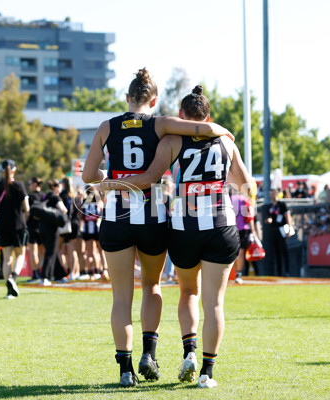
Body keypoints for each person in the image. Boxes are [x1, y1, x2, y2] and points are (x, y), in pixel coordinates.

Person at [82, 69, 233, 388]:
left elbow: (88, 175)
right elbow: (201, 129)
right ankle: (149, 353)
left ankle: (125, 370)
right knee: (151, 285)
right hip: (151, 216)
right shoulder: (160, 123)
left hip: (116, 216)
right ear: (154, 100)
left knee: (120, 297)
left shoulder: (106, 126)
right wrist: (222, 130)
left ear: (126, 99)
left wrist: (112, 178)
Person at [0, 159, 30, 299]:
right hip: (18, 224)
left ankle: (9, 290)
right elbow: (27, 208)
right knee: (20, 254)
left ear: (2, 171)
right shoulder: (19, 185)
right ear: (14, 170)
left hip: (2, 225)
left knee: (6, 258)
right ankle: (14, 277)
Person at [39, 179, 68, 286]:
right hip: (51, 228)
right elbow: (64, 209)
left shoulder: (45, 197)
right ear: (56, 187)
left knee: (52, 251)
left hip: (42, 227)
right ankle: (45, 277)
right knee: (50, 253)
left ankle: (60, 275)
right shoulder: (55, 197)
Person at [265, 189, 294, 276]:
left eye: (273, 194)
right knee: (276, 252)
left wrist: (289, 228)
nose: (271, 196)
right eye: (270, 194)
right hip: (273, 231)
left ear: (277, 194)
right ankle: (279, 273)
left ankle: (287, 271)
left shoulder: (282, 205)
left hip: (282, 231)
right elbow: (267, 218)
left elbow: (287, 216)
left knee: (284, 252)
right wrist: (268, 220)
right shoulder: (270, 206)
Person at [26, 177, 45, 282]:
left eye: (30, 184)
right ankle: (43, 273)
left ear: (34, 184)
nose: (29, 186)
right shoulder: (44, 196)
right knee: (42, 252)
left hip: (32, 227)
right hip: (43, 227)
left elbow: (27, 213)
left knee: (33, 251)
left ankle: (36, 274)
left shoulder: (30, 197)